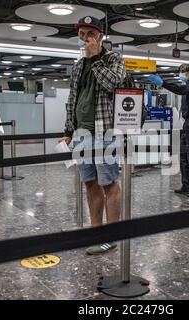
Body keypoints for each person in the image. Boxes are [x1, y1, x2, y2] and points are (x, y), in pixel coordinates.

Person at [58, 16, 126, 255]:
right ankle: (96, 232)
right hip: (82, 133)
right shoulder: (77, 66)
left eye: (89, 34)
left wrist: (96, 58)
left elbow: (114, 84)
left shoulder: (113, 59)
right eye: (81, 33)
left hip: (105, 132)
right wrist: (68, 131)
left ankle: (111, 235)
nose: (84, 38)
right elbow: (72, 100)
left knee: (109, 183)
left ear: (100, 36)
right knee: (90, 183)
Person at [149, 64, 189, 198]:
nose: (181, 74)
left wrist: (163, 83)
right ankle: (187, 186)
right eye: (180, 71)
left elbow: (180, 90)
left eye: (183, 72)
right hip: (188, 123)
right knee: (184, 157)